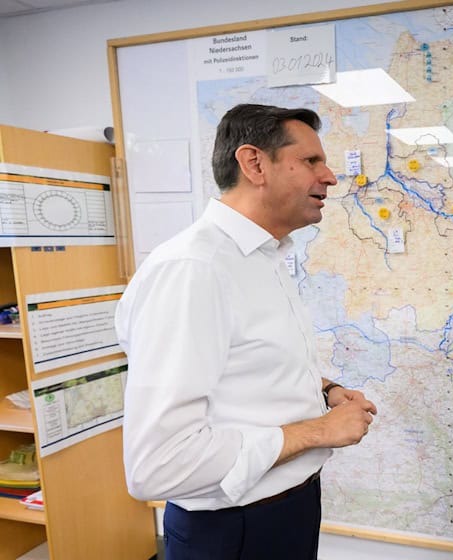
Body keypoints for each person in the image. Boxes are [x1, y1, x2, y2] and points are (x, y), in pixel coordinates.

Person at [116, 103, 378, 560]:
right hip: (233, 531)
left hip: (286, 511)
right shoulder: (193, 270)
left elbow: (246, 365)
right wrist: (319, 431)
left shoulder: (262, 257)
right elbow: (156, 466)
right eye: (312, 161)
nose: (331, 176)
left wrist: (327, 390)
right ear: (255, 164)